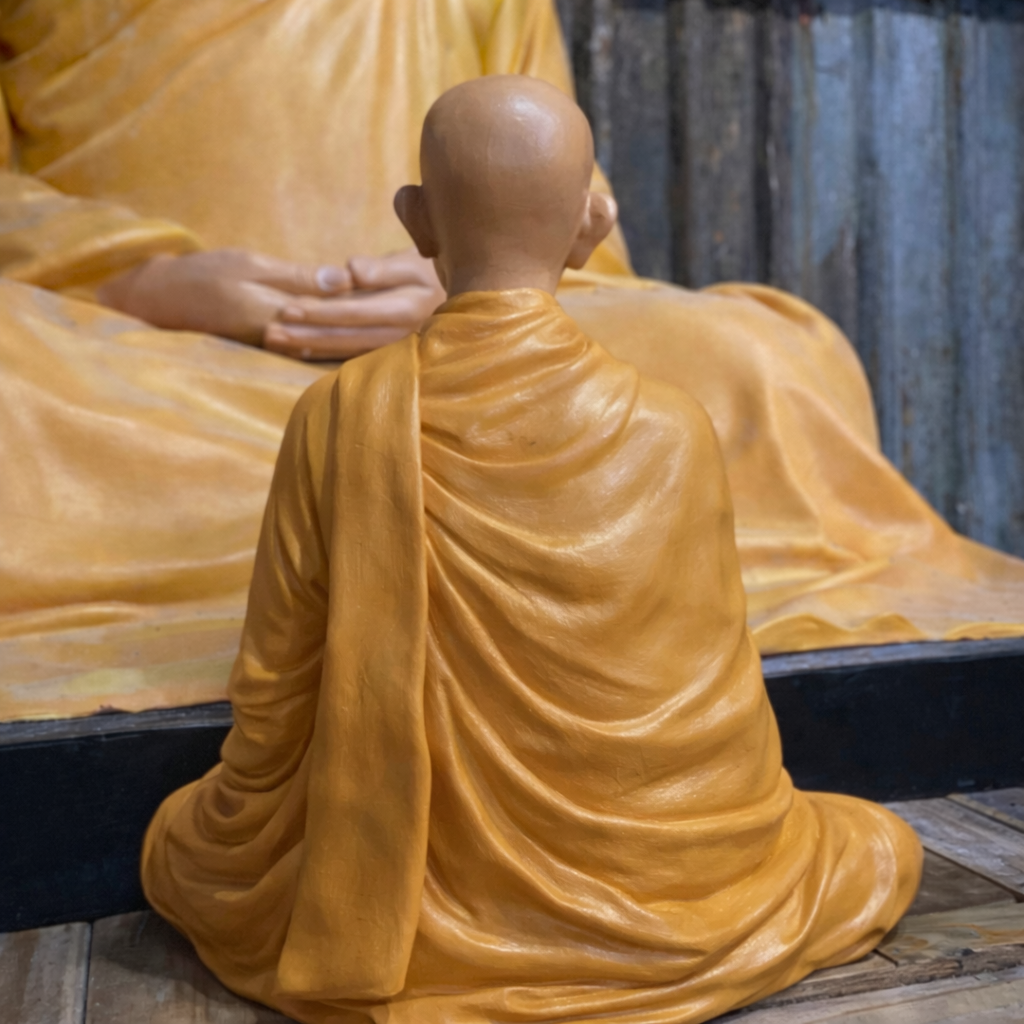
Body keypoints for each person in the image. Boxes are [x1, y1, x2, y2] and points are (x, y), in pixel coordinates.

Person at [142, 76, 922, 1024]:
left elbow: (271, 686)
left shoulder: (337, 414)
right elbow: (717, 716)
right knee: (879, 845)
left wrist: (250, 828)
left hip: (387, 897)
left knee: (175, 846)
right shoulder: (673, 427)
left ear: (416, 222)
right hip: (669, 888)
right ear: (592, 226)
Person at [1, 0, 1022, 721]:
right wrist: (134, 279)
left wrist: (499, 281)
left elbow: (566, 198)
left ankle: (361, 533)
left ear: (410, 220)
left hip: (497, 355)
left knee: (767, 358)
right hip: (160, 371)